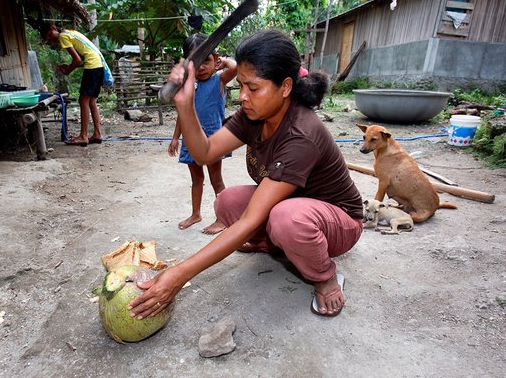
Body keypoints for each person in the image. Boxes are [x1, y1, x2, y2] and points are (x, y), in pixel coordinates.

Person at [128, 30, 363, 318]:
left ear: (286, 87)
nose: (242, 97)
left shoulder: (302, 132)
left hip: (339, 222)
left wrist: (179, 275)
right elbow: (204, 152)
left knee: (286, 218)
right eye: (241, 85)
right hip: (292, 205)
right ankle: (279, 245)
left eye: (253, 88)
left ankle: (325, 277)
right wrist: (185, 104)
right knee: (226, 201)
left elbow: (252, 219)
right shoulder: (255, 115)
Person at [168, 34, 237, 235]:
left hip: (212, 140)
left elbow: (234, 67)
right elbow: (182, 114)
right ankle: (196, 214)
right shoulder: (187, 85)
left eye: (206, 60)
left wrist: (222, 61)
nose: (201, 67)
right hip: (190, 140)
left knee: (216, 179)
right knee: (196, 179)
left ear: (214, 60)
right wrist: (175, 137)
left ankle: (222, 217)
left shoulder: (219, 80)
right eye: (195, 62)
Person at [41, 24, 103, 147]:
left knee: (83, 100)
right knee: (91, 101)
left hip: (92, 65)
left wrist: (67, 70)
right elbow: (81, 58)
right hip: (98, 65)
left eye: (49, 35)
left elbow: (78, 60)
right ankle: (97, 134)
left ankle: (83, 136)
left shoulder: (63, 36)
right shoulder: (70, 32)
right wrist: (69, 66)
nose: (49, 39)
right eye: (46, 38)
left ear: (53, 28)